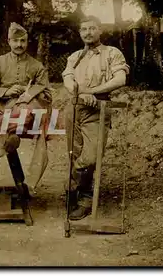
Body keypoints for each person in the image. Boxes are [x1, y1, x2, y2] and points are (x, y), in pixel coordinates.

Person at [62, 15, 129, 220]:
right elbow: (67, 79)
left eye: (92, 28)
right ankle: (79, 194)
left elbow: (121, 78)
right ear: (80, 33)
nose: (88, 33)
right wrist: (81, 94)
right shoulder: (75, 56)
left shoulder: (112, 53)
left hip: (98, 108)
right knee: (75, 153)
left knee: (90, 158)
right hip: (74, 107)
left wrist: (94, 92)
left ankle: (79, 193)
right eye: (84, 29)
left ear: (100, 30)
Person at [0, 22, 52, 191]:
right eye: (15, 41)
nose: (19, 45)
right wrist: (6, 91)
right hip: (2, 105)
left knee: (27, 111)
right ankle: (5, 136)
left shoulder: (36, 65)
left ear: (27, 42)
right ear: (9, 41)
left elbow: (46, 92)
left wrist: (28, 92)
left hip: (25, 105)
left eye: (23, 41)